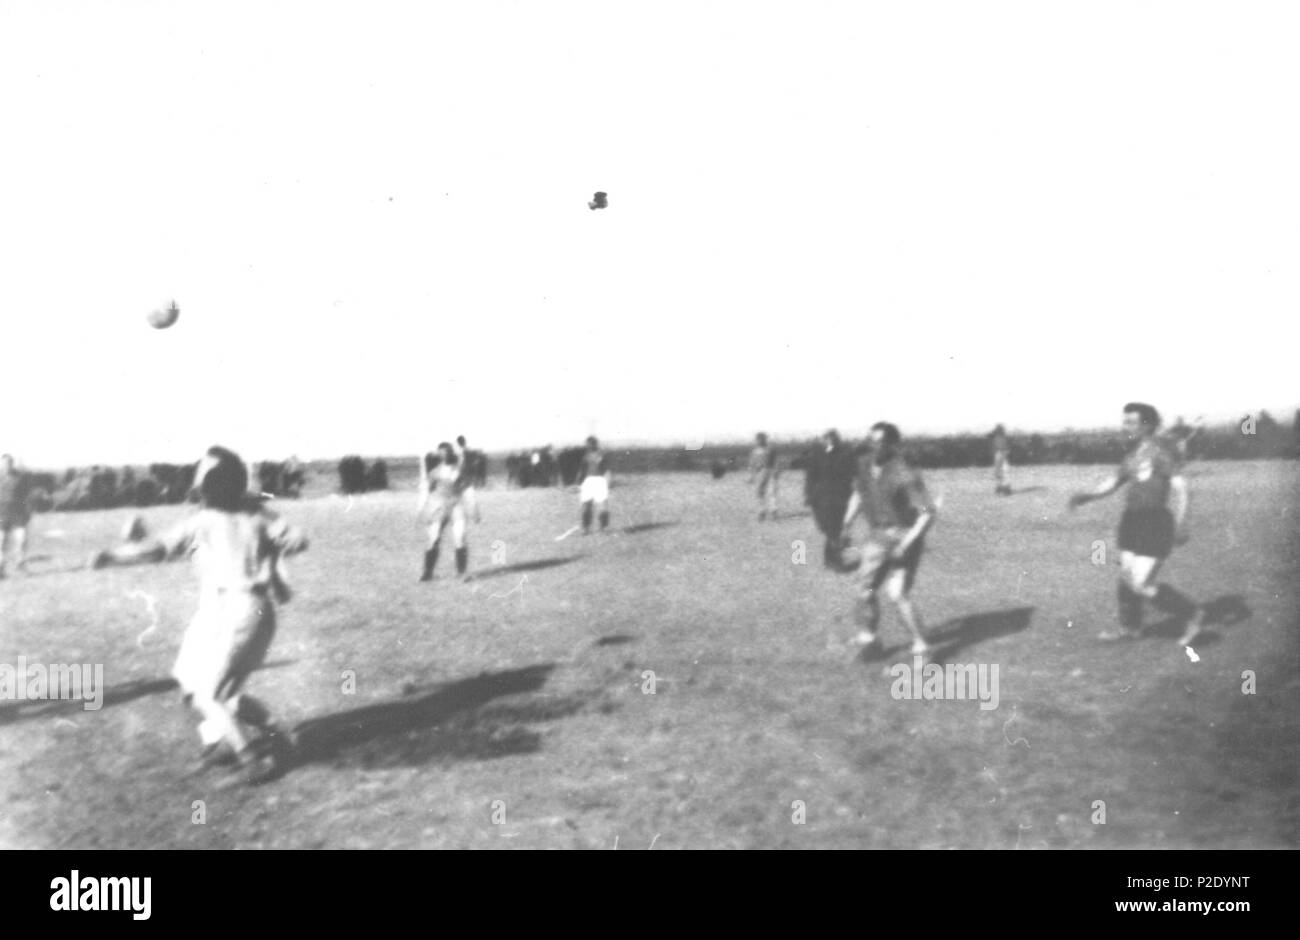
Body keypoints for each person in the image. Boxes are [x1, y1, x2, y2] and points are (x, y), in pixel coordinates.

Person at [91, 446, 307, 785]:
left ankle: (251, 759)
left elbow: (158, 548)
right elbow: (298, 538)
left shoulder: (205, 521)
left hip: (237, 611)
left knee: (211, 694)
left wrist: (112, 555)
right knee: (204, 686)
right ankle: (266, 736)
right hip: (252, 611)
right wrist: (283, 545)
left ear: (207, 489)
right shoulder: (257, 515)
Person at [1069, 403, 1204, 646]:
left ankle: (1192, 614)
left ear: (1148, 425)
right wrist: (1088, 496)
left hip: (1155, 522)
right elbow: (1114, 481)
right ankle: (1130, 628)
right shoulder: (1132, 455)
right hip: (1131, 521)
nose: (1125, 427)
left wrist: (1182, 524)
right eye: (1125, 421)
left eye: (1131, 422)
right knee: (1126, 578)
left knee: (1141, 583)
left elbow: (1183, 489)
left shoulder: (1160, 453)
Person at [841, 423, 938, 658]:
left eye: (880, 442)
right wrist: (846, 524)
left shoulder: (904, 472)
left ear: (893, 445)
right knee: (865, 589)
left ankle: (922, 647)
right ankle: (869, 640)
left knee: (897, 593)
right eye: (871, 441)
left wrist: (906, 544)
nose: (874, 446)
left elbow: (927, 513)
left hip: (903, 536)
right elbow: (858, 492)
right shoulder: (864, 465)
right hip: (877, 536)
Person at [418, 442, 471, 581]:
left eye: (447, 452)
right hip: (439, 507)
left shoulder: (458, 469)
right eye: (442, 452)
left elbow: (465, 486)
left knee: (460, 538)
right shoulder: (434, 472)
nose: (445, 454)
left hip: (456, 506)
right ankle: (428, 573)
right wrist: (428, 510)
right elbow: (428, 490)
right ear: (439, 454)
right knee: (433, 539)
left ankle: (462, 573)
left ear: (451, 453)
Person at [804, 430, 857, 569]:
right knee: (827, 528)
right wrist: (808, 495)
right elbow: (811, 476)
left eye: (833, 439)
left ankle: (834, 560)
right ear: (824, 440)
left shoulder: (846, 454)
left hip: (841, 496)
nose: (830, 442)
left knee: (836, 528)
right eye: (827, 439)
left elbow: (852, 473)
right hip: (821, 497)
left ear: (838, 440)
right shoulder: (817, 455)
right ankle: (831, 558)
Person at [0, 454, 32, 578]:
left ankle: (21, 566)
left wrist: (27, 511)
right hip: (2, 512)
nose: (6, 465)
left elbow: (26, 496)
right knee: (1, 542)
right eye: (4, 463)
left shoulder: (20, 477)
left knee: (21, 539)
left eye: (9, 463)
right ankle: (1, 569)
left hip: (18, 513)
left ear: (12, 464)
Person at [577, 436, 611, 534]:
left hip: (600, 481)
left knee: (603, 505)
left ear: (595, 444)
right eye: (587, 444)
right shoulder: (585, 456)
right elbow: (582, 471)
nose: (588, 446)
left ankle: (604, 527)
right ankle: (585, 528)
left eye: (590, 444)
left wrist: (607, 482)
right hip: (588, 481)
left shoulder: (602, 455)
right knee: (586, 505)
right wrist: (579, 483)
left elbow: (607, 470)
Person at [748, 432, 779, 520]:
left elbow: (775, 461)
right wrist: (752, 475)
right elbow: (752, 464)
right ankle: (762, 511)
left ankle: (774, 510)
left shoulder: (771, 449)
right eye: (758, 439)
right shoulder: (754, 451)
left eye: (762, 439)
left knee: (772, 491)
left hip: (770, 471)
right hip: (760, 473)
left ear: (765, 439)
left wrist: (776, 471)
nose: (759, 441)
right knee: (759, 492)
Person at [991, 424, 1012, 495]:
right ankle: (1003, 488)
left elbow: (1005, 447)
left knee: (1001, 471)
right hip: (1001, 454)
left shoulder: (998, 438)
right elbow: (1005, 447)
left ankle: (1002, 487)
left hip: (1000, 454)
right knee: (1003, 471)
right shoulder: (1001, 438)